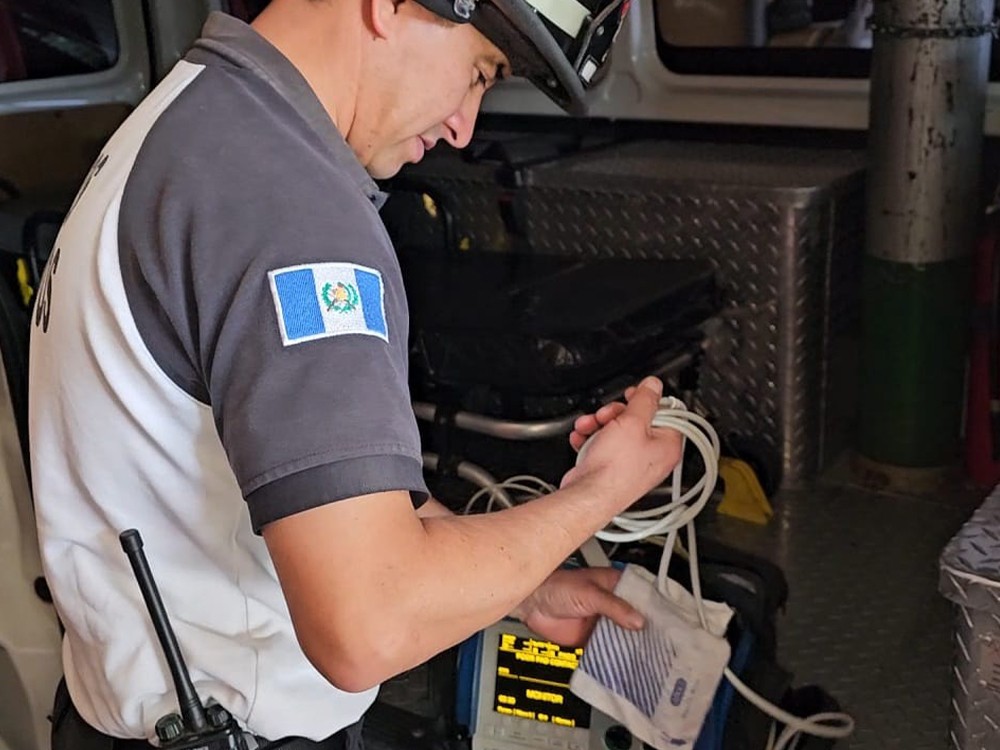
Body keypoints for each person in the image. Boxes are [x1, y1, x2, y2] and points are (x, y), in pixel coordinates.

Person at [28, 0, 682, 747]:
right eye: (478, 71)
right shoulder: (291, 210)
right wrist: (605, 490)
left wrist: (524, 583)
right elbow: (369, 625)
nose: (464, 128)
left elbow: (317, 505)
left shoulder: (185, 122)